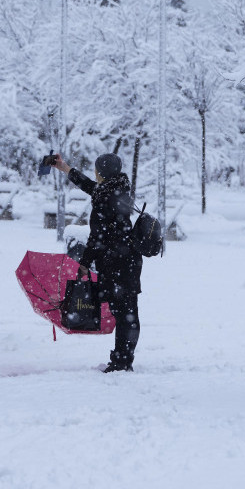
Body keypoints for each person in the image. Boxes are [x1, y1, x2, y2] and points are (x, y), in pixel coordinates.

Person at [51, 152, 140, 372]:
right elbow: (92, 187)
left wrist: (84, 262)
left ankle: (121, 362)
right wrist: (66, 168)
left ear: (101, 172)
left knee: (124, 314)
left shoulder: (104, 197)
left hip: (115, 263)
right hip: (128, 261)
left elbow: (97, 238)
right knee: (128, 312)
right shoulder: (118, 189)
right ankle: (124, 359)